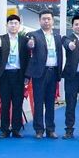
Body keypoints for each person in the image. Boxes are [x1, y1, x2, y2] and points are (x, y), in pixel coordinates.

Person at [26, 10, 63, 139]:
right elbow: (30, 43)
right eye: (44, 19)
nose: (46, 21)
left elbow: (60, 54)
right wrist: (30, 44)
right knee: (38, 102)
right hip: (40, 74)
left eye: (48, 19)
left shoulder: (57, 36)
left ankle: (50, 129)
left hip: (53, 72)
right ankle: (39, 130)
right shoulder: (34, 35)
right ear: (39, 20)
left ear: (53, 20)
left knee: (50, 103)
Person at [0, 14, 31, 138]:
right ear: (7, 25)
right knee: (5, 103)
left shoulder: (24, 40)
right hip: (4, 75)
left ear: (19, 25)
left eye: (15, 23)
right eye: (11, 23)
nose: (13, 25)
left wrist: (27, 76)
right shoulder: (0, 39)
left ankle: (16, 129)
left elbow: (27, 59)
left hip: (19, 75)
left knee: (17, 104)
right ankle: (4, 130)